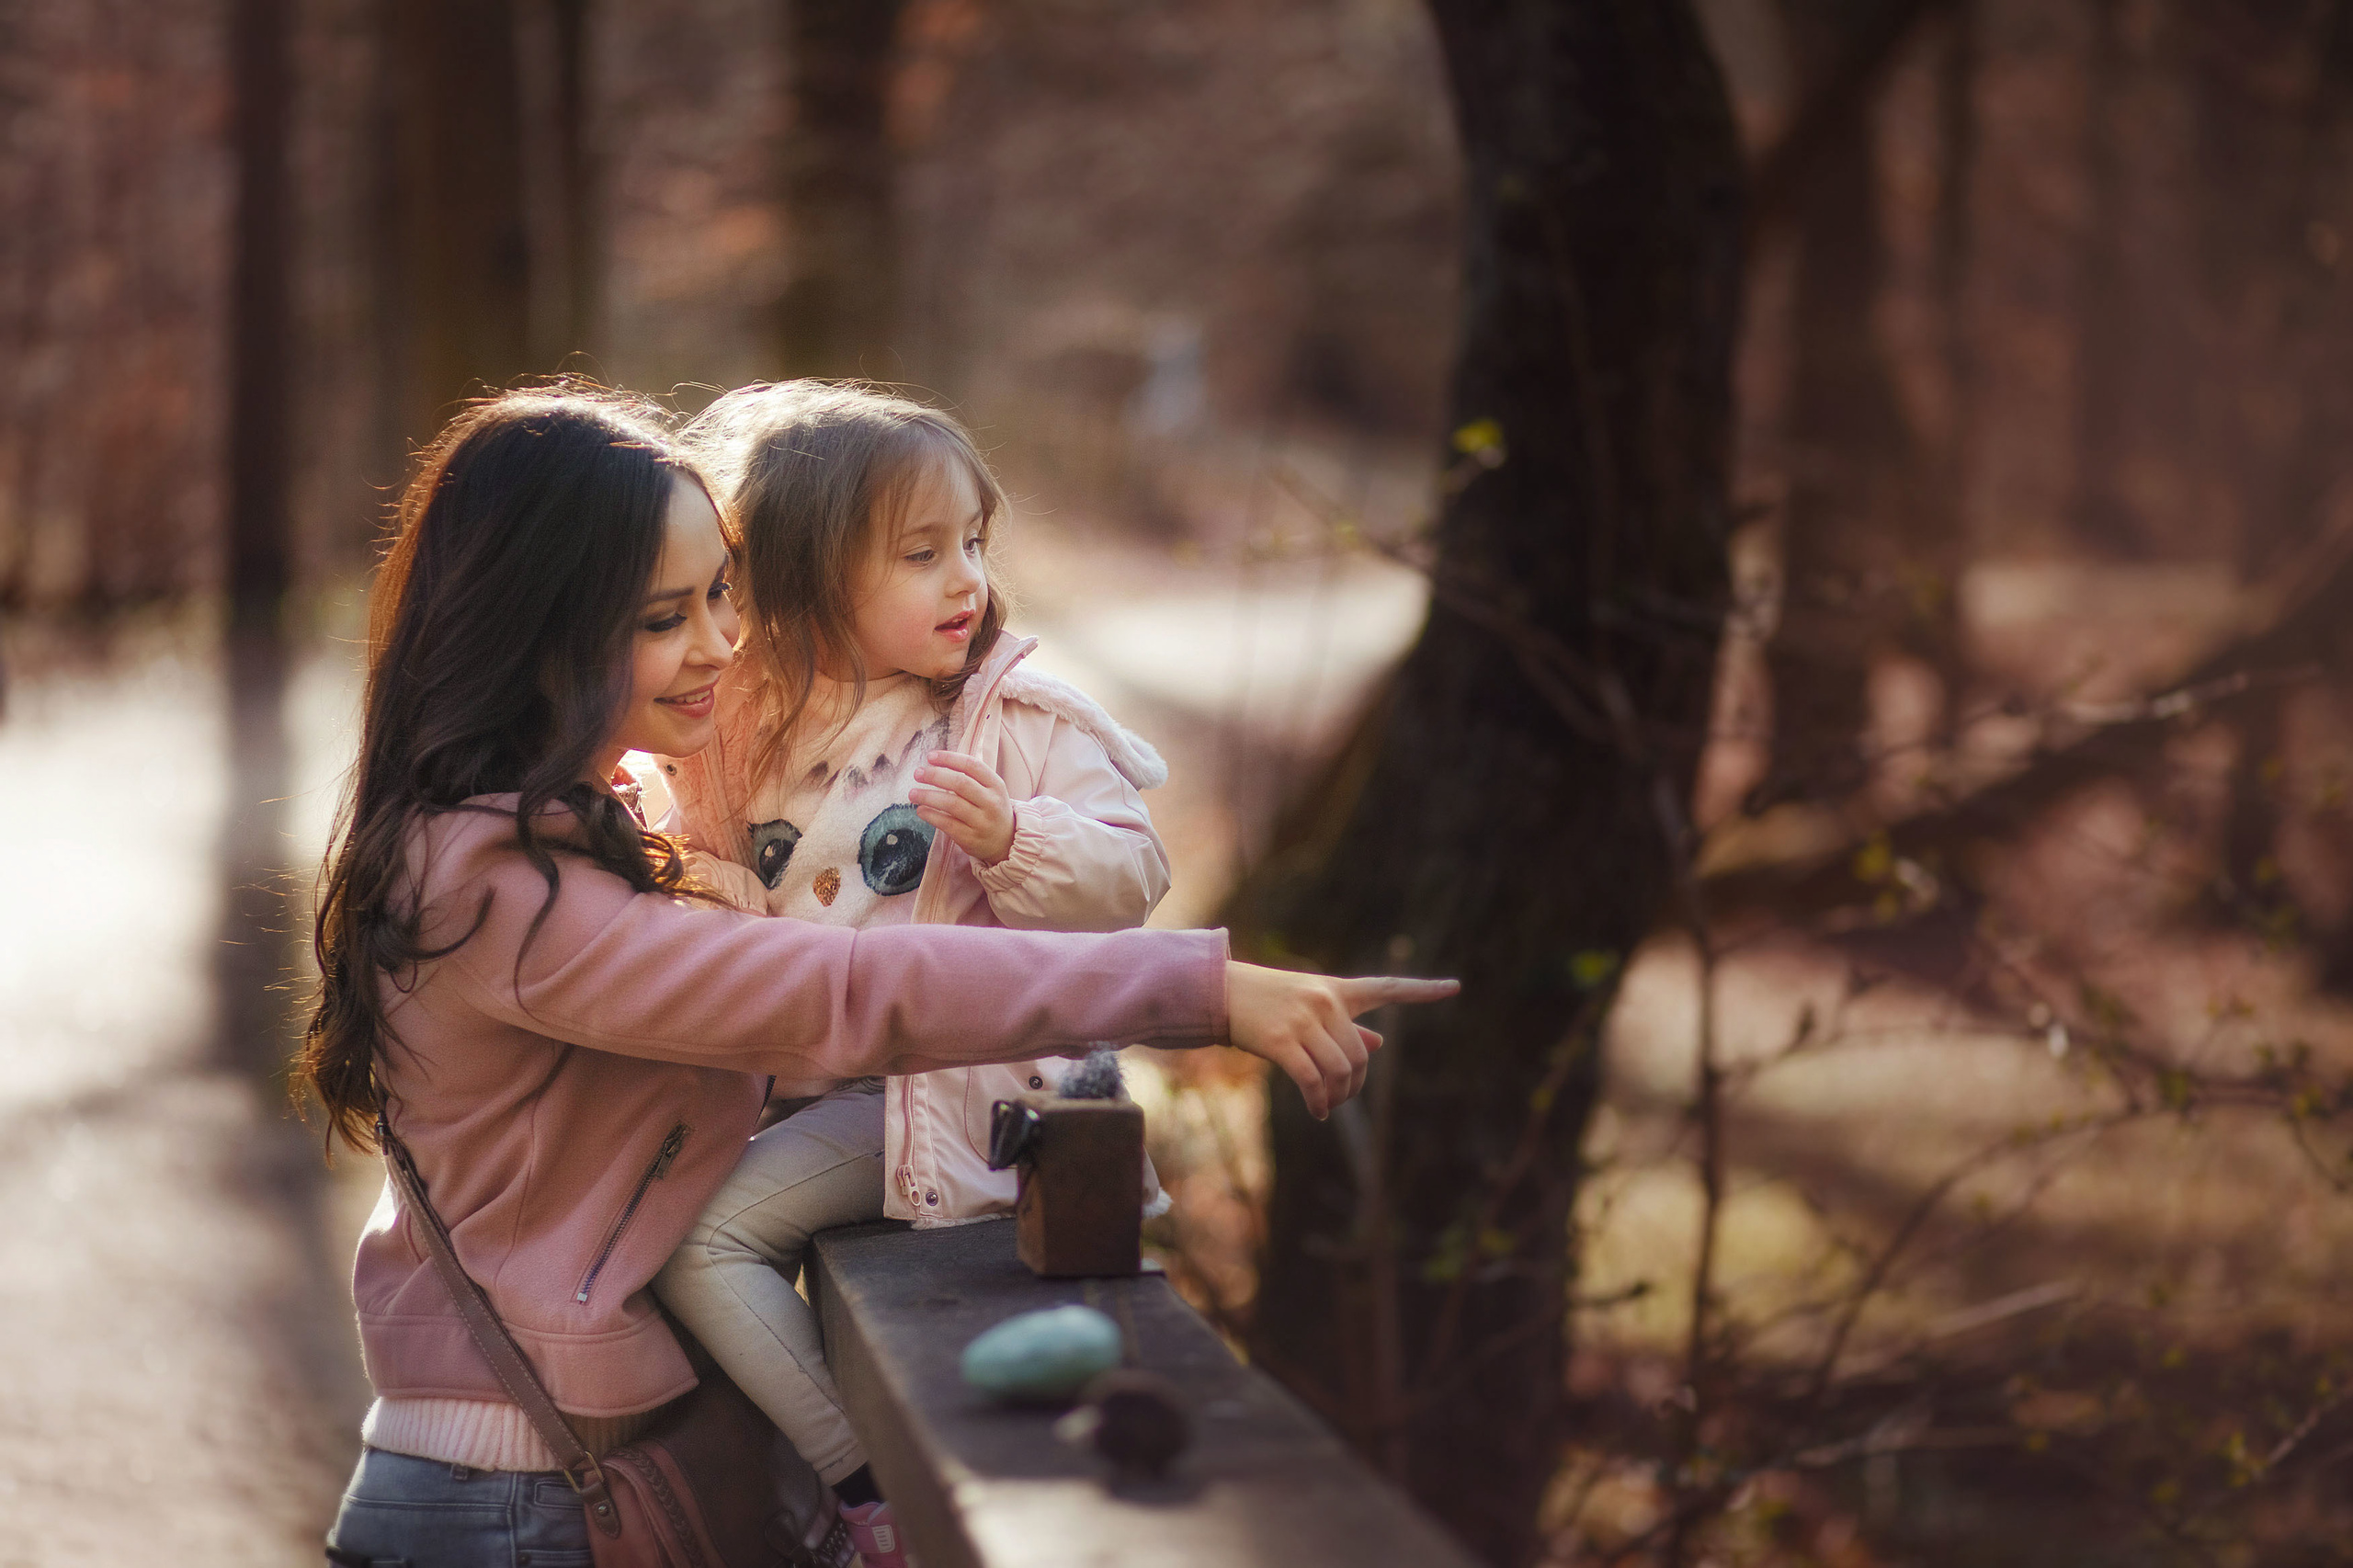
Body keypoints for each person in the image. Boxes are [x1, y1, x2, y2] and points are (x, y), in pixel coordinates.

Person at [301, 385, 1454, 1567]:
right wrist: (1199, 991)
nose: (722, 643)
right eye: (663, 617)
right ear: (536, 632)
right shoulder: (507, 891)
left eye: (722, 594)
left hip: (556, 1471)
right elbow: (846, 987)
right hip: (510, 1500)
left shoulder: (562, 833)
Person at [640, 382, 1173, 1562]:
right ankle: (794, 1503)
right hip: (815, 1091)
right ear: (805, 574)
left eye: (972, 542)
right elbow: (719, 887)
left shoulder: (1009, 715)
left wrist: (1015, 836)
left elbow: (1135, 875)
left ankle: (862, 1493)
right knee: (643, 1231)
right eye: (922, 554)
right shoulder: (742, 727)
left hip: (953, 1095)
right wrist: (684, 874)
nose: (965, 579)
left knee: (702, 1241)